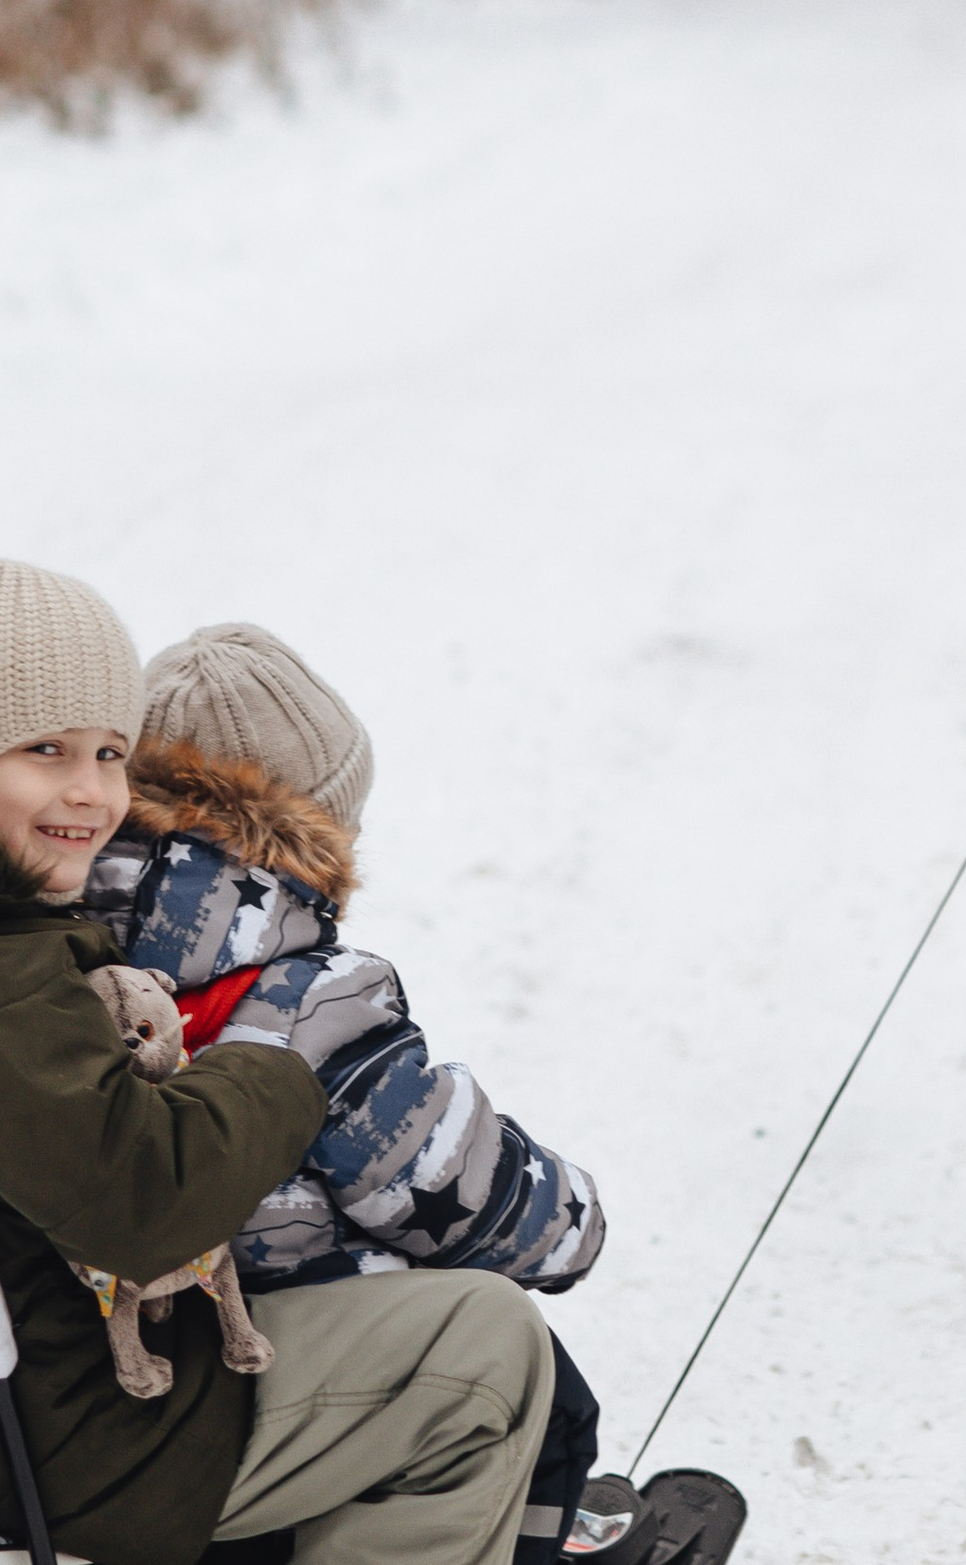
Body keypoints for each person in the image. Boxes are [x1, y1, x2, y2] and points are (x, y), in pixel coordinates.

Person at [0, 541, 557, 1565]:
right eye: (44, 750)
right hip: (62, 1444)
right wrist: (268, 1072)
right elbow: (146, 1204)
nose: (91, 794)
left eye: (111, 754)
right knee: (480, 1347)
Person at [81, 621, 606, 1559]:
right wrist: (570, 1216)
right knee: (541, 1392)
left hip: (123, 1352)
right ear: (306, 834)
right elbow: (454, 1191)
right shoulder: (308, 999)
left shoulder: (63, 952)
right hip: (259, 1368)